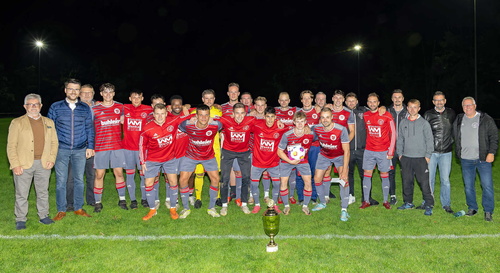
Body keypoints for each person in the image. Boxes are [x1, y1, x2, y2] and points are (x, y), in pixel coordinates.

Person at [7, 94, 59, 230]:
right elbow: (11, 146)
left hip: (44, 163)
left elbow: (54, 143)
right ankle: (20, 219)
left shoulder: (49, 122)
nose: (34, 107)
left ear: (41, 106)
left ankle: (43, 216)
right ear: (25, 106)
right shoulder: (17, 122)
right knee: (22, 193)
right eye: (30, 104)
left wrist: (52, 159)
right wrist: (15, 164)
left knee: (43, 192)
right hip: (23, 164)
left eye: (36, 104)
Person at [48, 79, 94, 220]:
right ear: (65, 90)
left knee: (79, 180)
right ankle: (61, 209)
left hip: (80, 149)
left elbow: (89, 128)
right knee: (61, 181)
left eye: (76, 89)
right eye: (70, 89)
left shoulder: (84, 108)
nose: (73, 92)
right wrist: (51, 149)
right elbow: (49, 130)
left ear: (79, 92)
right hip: (61, 149)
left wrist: (90, 146)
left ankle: (78, 207)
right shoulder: (56, 107)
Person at [139, 103, 191, 221]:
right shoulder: (147, 128)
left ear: (166, 113)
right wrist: (143, 162)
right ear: (153, 114)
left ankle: (173, 208)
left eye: (162, 114)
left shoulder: (172, 122)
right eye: (157, 114)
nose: (160, 116)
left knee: (173, 182)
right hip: (152, 160)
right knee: (148, 183)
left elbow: (187, 116)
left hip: (169, 159)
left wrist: (186, 107)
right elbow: (142, 145)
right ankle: (152, 209)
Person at [453, 97, 498, 221]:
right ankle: (472, 208)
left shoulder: (485, 119)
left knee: (487, 185)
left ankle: (488, 211)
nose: (467, 107)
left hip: (482, 159)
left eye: (470, 105)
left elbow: (494, 137)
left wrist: (491, 152)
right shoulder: (459, 119)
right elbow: (455, 136)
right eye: (465, 105)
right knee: (468, 186)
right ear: (462, 107)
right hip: (466, 160)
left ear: (475, 105)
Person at [178, 104, 223, 218]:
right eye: (201, 115)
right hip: (191, 156)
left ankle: (211, 208)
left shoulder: (215, 125)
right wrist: (188, 118)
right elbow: (180, 124)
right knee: (183, 179)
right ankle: (185, 208)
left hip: (208, 156)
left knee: (216, 178)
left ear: (209, 116)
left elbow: (223, 122)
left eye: (206, 115)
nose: (203, 118)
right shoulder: (188, 125)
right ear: (196, 116)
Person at [92, 83, 127, 212]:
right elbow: (89, 128)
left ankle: (122, 199)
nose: (108, 94)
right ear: (100, 94)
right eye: (105, 92)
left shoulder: (120, 107)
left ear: (114, 93)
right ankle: (97, 202)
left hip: (117, 147)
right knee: (99, 175)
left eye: (110, 92)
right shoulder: (94, 109)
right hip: (101, 147)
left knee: (118, 173)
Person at [311, 108, 351, 221]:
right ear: (320, 118)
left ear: (332, 117)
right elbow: (304, 131)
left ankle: (344, 210)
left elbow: (347, 151)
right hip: (324, 155)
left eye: (327, 117)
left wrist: (344, 171)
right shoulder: (316, 128)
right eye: (322, 117)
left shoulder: (341, 130)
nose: (325, 120)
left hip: (339, 156)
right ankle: (323, 202)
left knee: (344, 179)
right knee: (317, 178)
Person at [396, 99, 435, 216]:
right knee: (407, 182)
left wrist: (427, 156)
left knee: (423, 182)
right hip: (406, 158)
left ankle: (428, 204)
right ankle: (408, 202)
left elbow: (430, 141)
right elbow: (400, 140)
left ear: (419, 108)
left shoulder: (424, 123)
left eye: (415, 107)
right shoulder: (403, 123)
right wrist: (400, 155)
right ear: (407, 108)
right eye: (410, 107)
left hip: (420, 158)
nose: (412, 109)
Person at [360, 93, 396, 210]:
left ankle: (385, 201)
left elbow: (394, 133)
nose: (372, 104)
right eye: (370, 101)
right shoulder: (365, 115)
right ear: (367, 103)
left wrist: (390, 151)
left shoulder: (386, 115)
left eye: (374, 101)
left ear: (378, 103)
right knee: (367, 175)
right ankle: (366, 201)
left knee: (384, 175)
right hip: (369, 151)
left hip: (383, 151)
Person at [249, 107, 288, 214]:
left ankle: (274, 205)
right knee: (254, 184)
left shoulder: (280, 127)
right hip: (258, 162)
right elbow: (244, 123)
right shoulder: (257, 124)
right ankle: (257, 205)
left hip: (273, 163)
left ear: (275, 117)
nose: (270, 119)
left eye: (272, 117)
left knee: (276, 184)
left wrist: (307, 127)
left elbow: (294, 128)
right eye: (267, 117)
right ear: (264, 117)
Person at [219, 103, 255, 215]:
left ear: (245, 113)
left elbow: (265, 123)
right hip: (227, 151)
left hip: (244, 152)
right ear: (233, 113)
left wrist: (278, 122)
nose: (239, 116)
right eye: (237, 113)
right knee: (224, 178)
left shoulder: (250, 120)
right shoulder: (226, 119)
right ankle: (224, 205)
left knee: (246, 177)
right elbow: (209, 119)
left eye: (242, 113)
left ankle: (244, 204)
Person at [422, 91, 456, 213]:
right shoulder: (428, 114)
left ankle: (446, 204)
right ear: (433, 102)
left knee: (445, 180)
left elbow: (455, 130)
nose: (439, 102)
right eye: (436, 100)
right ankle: (428, 202)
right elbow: (424, 133)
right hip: (432, 152)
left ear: (445, 101)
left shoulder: (451, 113)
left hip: (446, 152)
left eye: (441, 100)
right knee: (429, 179)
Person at [277, 111, 315, 215]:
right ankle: (286, 206)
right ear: (293, 122)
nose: (300, 124)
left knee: (308, 182)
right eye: (297, 121)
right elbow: (279, 151)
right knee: (284, 182)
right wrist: (290, 161)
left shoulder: (310, 134)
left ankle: (305, 206)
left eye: (302, 122)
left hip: (303, 161)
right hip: (287, 160)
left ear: (305, 122)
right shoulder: (287, 135)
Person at [344, 92, 379, 206]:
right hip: (348, 150)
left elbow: (377, 111)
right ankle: (350, 195)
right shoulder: (341, 113)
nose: (351, 103)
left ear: (357, 101)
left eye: (353, 101)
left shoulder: (364, 111)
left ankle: (367, 197)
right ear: (345, 102)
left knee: (365, 175)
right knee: (348, 174)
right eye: (348, 101)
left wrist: (382, 108)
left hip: (362, 150)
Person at [66, 84, 97, 208]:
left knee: (92, 175)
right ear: (79, 94)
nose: (87, 95)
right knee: (72, 176)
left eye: (90, 92)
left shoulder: (99, 107)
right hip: (76, 147)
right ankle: (70, 202)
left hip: (94, 147)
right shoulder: (73, 107)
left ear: (94, 94)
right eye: (84, 92)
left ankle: (91, 199)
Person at [191, 89, 222, 209]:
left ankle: (217, 196)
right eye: (206, 98)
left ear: (214, 99)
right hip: (199, 148)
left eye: (211, 98)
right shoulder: (194, 112)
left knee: (215, 175)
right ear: (202, 99)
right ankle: (198, 198)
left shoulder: (219, 112)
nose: (209, 101)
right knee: (199, 174)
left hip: (214, 149)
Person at [122, 89, 153, 209]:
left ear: (142, 98)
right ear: (129, 98)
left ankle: (144, 199)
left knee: (143, 175)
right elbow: (108, 103)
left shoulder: (148, 109)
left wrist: (186, 106)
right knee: (130, 175)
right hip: (127, 148)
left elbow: (164, 109)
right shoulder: (124, 108)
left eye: (138, 97)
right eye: (133, 97)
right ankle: (133, 200)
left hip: (142, 149)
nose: (136, 99)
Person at [387, 89, 408, 205]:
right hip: (391, 148)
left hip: (405, 148)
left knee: (406, 173)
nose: (397, 99)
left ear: (403, 98)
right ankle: (393, 196)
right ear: (392, 99)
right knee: (391, 172)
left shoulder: (409, 111)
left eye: (399, 97)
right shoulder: (387, 111)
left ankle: (407, 197)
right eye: (395, 97)